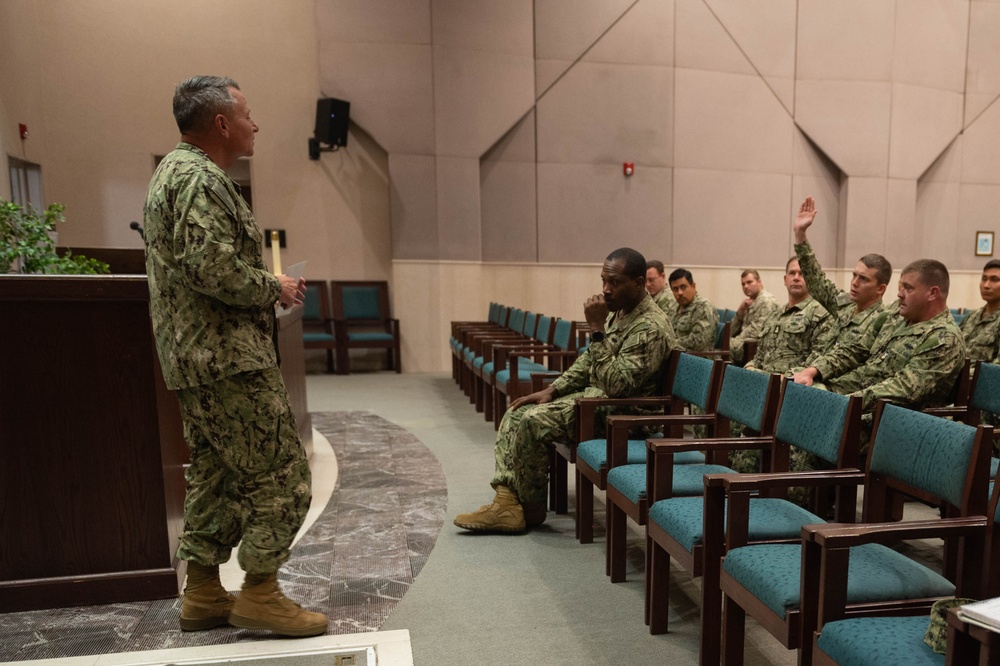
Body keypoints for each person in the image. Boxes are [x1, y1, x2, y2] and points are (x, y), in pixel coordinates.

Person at [144, 76, 327, 637]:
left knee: (218, 472)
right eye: (248, 113)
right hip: (227, 359)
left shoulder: (174, 173)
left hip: (196, 358)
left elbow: (202, 264)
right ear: (221, 123)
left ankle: (201, 588)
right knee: (283, 472)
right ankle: (262, 591)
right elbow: (211, 268)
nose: (256, 123)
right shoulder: (200, 179)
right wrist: (273, 288)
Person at [454, 247, 677, 533]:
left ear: (638, 283)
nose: (606, 290)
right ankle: (507, 502)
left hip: (627, 416)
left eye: (615, 283)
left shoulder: (650, 326)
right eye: (603, 281)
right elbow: (588, 361)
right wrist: (554, 389)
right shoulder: (621, 313)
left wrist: (596, 329)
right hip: (600, 401)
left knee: (534, 422)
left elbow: (617, 385)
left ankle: (529, 510)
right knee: (518, 411)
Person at [792, 259, 966, 444]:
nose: (899, 294)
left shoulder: (943, 338)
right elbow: (856, 349)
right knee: (792, 394)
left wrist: (843, 402)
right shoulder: (896, 315)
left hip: (891, 424)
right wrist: (814, 371)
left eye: (908, 288)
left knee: (801, 430)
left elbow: (904, 389)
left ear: (932, 293)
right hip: (857, 403)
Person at [792, 196, 892, 363]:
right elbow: (817, 282)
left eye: (864, 279)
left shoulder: (881, 322)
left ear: (880, 289)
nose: (854, 282)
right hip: (809, 371)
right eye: (854, 275)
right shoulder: (846, 304)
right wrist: (800, 234)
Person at [743, 257, 830, 375]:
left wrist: (787, 378)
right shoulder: (774, 316)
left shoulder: (820, 314)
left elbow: (818, 359)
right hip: (764, 382)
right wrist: (750, 367)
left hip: (792, 385)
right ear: (785, 279)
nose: (796, 278)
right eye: (792, 273)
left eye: (802, 274)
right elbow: (760, 356)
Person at [728, 269, 780, 362]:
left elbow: (756, 331)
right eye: (743, 284)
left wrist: (734, 341)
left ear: (759, 282)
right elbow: (730, 331)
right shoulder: (750, 302)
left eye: (749, 282)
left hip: (758, 348)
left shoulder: (766, 301)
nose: (746, 286)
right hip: (745, 344)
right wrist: (740, 311)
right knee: (723, 345)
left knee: (725, 347)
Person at [668, 268, 719, 351]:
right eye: (675, 289)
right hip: (675, 354)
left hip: (697, 358)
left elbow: (698, 341)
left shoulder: (703, 307)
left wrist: (669, 344)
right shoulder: (674, 307)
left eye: (683, 287)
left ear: (693, 286)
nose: (679, 293)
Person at [960, 259, 1000, 364]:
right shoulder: (972, 316)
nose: (986, 285)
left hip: (978, 379)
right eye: (984, 279)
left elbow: (996, 369)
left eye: (994, 280)